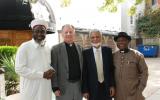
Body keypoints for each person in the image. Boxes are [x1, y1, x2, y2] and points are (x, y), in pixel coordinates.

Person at [15, 19, 55, 100]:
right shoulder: (25, 47)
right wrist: (42, 74)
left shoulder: (47, 48)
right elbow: (19, 69)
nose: (39, 34)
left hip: (45, 88)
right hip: (30, 89)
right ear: (32, 32)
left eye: (42, 31)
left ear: (45, 33)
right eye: (37, 31)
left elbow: (48, 64)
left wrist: (51, 70)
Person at [51, 24, 83, 100]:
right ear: (62, 34)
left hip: (78, 86)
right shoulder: (55, 49)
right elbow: (53, 69)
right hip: (63, 87)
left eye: (70, 32)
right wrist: (55, 87)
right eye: (66, 32)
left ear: (74, 33)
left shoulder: (80, 48)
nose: (68, 34)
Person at [113, 32, 148, 100]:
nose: (121, 42)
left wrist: (140, 90)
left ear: (128, 41)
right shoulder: (113, 56)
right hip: (118, 95)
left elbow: (144, 72)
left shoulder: (137, 55)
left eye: (123, 40)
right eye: (118, 41)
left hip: (134, 94)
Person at [82, 29, 115, 100]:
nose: (95, 39)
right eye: (93, 37)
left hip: (106, 87)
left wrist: (112, 85)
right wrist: (85, 90)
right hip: (92, 89)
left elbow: (111, 70)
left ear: (101, 38)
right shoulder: (85, 53)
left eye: (97, 37)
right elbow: (84, 73)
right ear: (90, 39)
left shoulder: (108, 51)